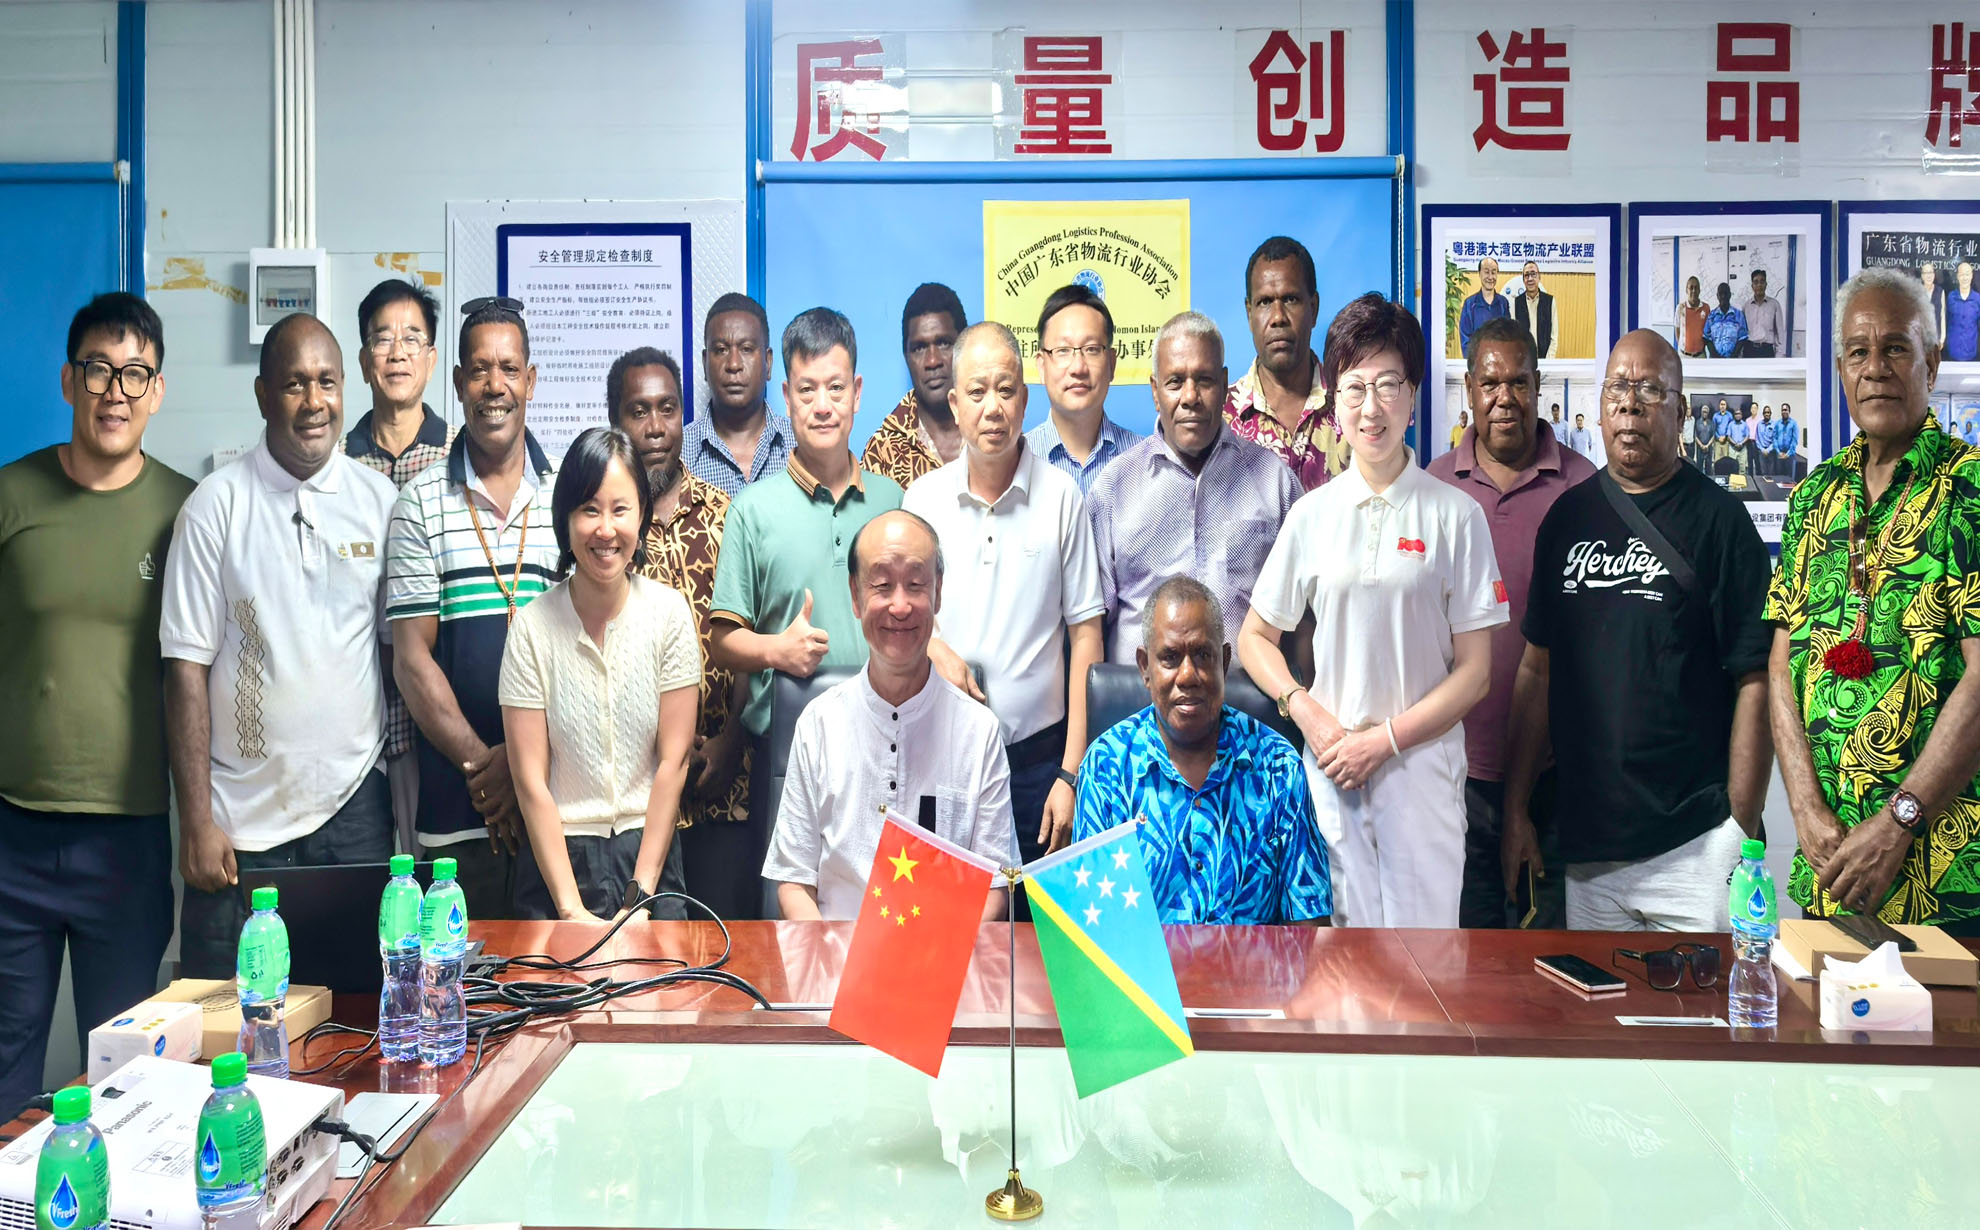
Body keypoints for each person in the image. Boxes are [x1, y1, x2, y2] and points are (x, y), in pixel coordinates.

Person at [1239, 292, 1507, 928]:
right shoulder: (1312, 514)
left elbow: (1476, 674)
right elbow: (1253, 638)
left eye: (1388, 385)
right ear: (1335, 402)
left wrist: (1384, 742)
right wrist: (1308, 714)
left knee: (1426, 965)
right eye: (1355, 388)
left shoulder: (1457, 516)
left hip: (1421, 775)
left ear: (1412, 397)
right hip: (1335, 775)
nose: (1371, 406)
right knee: (1344, 966)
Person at [1502, 330, 1773, 932]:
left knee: (1708, 998)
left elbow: (1756, 676)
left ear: (1681, 411)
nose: (1630, 403)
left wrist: (1740, 824)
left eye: (1650, 389)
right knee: (1598, 998)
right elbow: (1536, 670)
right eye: (1617, 389)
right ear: (1600, 408)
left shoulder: (1722, 523)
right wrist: (1517, 808)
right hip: (1588, 851)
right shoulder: (1566, 520)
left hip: (1696, 844)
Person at [0, 293, 195, 1118]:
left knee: (126, 1072)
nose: (116, 391)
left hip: (129, 840)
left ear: (157, 391)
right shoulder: (13, 494)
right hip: (12, 833)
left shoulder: (187, 510)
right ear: (68, 380)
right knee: (7, 1057)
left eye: (135, 374)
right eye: (99, 370)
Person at [162, 314, 400, 975]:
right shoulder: (214, 507)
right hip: (240, 828)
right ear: (263, 395)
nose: (314, 401)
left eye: (327, 381)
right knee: (229, 1017)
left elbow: (396, 656)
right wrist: (197, 822)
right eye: (295, 384)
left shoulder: (380, 502)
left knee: (357, 1011)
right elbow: (185, 671)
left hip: (353, 811)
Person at [1767, 268, 1980, 929]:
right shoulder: (1814, 495)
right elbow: (1780, 663)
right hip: (1829, 870)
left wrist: (1898, 823)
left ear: (1931, 363)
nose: (1876, 368)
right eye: (1858, 351)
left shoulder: (1969, 490)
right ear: (1841, 371)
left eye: (1896, 348)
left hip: (1943, 877)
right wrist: (1804, 807)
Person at [902, 322, 1103, 866]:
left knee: (1037, 918)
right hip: (944, 754)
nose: (993, 407)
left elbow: (1086, 637)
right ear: (954, 404)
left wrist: (1071, 772)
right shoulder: (922, 500)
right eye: (977, 391)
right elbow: (901, 619)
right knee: (951, 915)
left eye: (1006, 390)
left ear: (1025, 399)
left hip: (1041, 764)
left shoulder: (1062, 497)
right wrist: (934, 649)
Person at [387, 297, 562, 918]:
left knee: (553, 969)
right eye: (480, 370)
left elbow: (585, 646)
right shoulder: (418, 503)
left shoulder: (568, 496)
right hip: (457, 806)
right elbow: (411, 659)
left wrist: (521, 763)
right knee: (458, 972)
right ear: (459, 382)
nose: (495, 386)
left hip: (555, 800)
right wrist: (483, 766)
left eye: (509, 369)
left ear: (530, 381)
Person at [763, 510, 1016, 920]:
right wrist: (830, 954)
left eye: (916, 585)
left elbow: (994, 888)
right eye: (881, 585)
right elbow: (793, 880)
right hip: (835, 949)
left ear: (938, 592)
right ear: (855, 595)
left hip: (944, 954)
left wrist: (939, 953)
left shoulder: (979, 731)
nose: (900, 606)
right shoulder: (818, 723)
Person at [1427, 315, 1594, 929]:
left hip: (1554, 775)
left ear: (1537, 386)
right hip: (1451, 770)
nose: (1505, 398)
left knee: (1543, 955)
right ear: (1469, 389)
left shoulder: (1584, 488)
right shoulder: (1432, 487)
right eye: (1490, 383)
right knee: (1461, 952)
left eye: (1519, 383)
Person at [499, 428, 698, 921]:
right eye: (589, 509)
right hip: (558, 860)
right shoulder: (530, 629)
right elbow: (529, 781)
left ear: (641, 515)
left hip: (648, 855)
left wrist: (639, 897)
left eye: (620, 509)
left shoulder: (669, 615)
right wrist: (570, 910)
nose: (605, 529)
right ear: (565, 519)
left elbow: (673, 764)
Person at [1074, 576, 1330, 926]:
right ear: (1145, 668)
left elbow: (1310, 928)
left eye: (1202, 655)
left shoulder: (1277, 766)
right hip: (1142, 965)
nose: (1188, 675)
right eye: (1170, 658)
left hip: (1253, 964)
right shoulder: (1106, 767)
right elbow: (1093, 929)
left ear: (1223, 662)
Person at [710, 307, 904, 760]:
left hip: (886, 737)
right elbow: (722, 642)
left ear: (856, 393)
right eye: (807, 389)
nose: (822, 406)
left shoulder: (893, 501)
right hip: (785, 745)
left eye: (836, 388)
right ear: (786, 397)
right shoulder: (751, 510)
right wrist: (777, 650)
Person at [610, 347, 756, 919]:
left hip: (723, 786)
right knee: (651, 955)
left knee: (729, 948)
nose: (655, 427)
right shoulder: (608, 532)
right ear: (616, 421)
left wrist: (731, 741)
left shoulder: (729, 515)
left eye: (667, 409)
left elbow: (750, 637)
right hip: (635, 797)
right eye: (638, 411)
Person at [1089, 312, 1299, 664]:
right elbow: (1090, 627)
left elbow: (1303, 620)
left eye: (1204, 380)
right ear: (1155, 392)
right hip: (1139, 697)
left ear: (1224, 384)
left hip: (1247, 695)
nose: (1190, 397)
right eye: (1175, 382)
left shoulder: (1275, 482)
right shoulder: (1113, 490)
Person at [344, 278, 453, 851]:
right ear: (364, 360)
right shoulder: (335, 462)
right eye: (383, 339)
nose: (397, 352)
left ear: (431, 359)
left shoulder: (461, 455)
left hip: (439, 706)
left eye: (412, 338)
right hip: (355, 710)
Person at [1223, 235, 1347, 490]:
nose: (1278, 317)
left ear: (1313, 308)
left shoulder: (1352, 404)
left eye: (1290, 299)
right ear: (1249, 313)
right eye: (1265, 302)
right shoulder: (1220, 416)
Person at [1024, 284, 1143, 494]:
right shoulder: (1016, 461)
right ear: (1042, 366)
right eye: (1063, 350)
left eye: (1092, 349)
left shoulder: (1145, 461)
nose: (1078, 368)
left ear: (1111, 363)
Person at [861, 282, 966, 488]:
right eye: (919, 348)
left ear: (965, 346)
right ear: (906, 357)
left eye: (944, 343)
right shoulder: (882, 451)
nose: (933, 361)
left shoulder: (992, 427)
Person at [686, 293, 791, 496]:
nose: (734, 365)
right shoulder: (679, 455)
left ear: (768, 362)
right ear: (705, 363)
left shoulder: (801, 446)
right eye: (721, 350)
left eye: (746, 349)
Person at [1457, 257, 1511, 359]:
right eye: (1486, 272)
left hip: (1499, 363)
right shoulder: (1469, 304)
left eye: (1493, 272)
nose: (1490, 277)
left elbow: (1508, 336)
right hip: (1477, 364)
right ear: (1479, 274)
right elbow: (1465, 340)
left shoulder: (1503, 303)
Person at [1511, 260, 1555, 359]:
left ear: (1539, 277)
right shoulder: (1516, 302)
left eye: (1533, 274)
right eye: (1526, 275)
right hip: (1523, 360)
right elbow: (1514, 335)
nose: (1530, 278)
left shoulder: (1550, 301)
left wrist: (1548, 360)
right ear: (1523, 280)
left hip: (1545, 359)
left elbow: (1554, 336)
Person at [1742, 267, 1785, 358]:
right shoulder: (1746, 306)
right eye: (1756, 282)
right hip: (1749, 350)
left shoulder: (1774, 305)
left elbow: (1780, 333)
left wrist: (1779, 356)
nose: (1759, 285)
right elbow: (1742, 332)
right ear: (1752, 286)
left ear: (1766, 284)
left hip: (1767, 351)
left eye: (1762, 281)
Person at [1706, 281, 1748, 359]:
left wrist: (1733, 357)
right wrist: (1716, 357)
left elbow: (1742, 338)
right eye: (1721, 293)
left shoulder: (1738, 315)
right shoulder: (1711, 316)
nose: (1723, 296)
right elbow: (1707, 339)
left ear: (1730, 295)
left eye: (1726, 293)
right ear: (1717, 296)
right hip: (1715, 361)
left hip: (1734, 360)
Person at [1948, 262, 1980, 364]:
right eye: (1962, 274)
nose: (1964, 278)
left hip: (1972, 352)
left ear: (1971, 276)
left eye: (1967, 274)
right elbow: (1946, 320)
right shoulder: (1950, 297)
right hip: (1952, 352)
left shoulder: (1977, 299)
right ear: (1957, 276)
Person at [1675, 275, 1709, 359]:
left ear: (1699, 290)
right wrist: (1684, 347)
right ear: (1686, 290)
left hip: (1701, 355)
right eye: (1691, 288)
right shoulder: (1680, 308)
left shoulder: (1706, 308)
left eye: (1696, 288)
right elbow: (1677, 329)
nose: (1694, 290)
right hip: (1683, 356)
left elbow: (1708, 331)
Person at [1921, 262, 1948, 349]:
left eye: (1931, 272)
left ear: (1934, 275)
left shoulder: (1940, 291)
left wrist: (1942, 338)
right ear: (1922, 276)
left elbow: (1942, 315)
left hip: (1936, 336)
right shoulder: (1917, 291)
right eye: (1926, 273)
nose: (1928, 276)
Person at [1774, 400, 1798, 477]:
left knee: (1789, 478)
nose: (1784, 412)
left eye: (1786, 410)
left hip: (1789, 455)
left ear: (1789, 411)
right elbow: (1774, 438)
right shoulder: (1777, 423)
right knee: (1779, 477)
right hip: (1779, 454)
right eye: (1782, 410)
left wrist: (1788, 454)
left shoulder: (1793, 423)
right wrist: (1778, 452)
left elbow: (1795, 440)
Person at [1726, 404, 1751, 475]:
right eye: (1736, 414)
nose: (1738, 415)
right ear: (1734, 415)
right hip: (1733, 449)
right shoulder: (1730, 424)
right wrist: (1735, 444)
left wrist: (1741, 443)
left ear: (1741, 415)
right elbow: (1728, 437)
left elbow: (1747, 436)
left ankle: (1741, 481)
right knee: (1732, 468)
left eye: (1739, 414)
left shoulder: (1745, 424)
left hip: (1742, 449)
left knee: (1742, 469)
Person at [1755, 406, 1776, 479]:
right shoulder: (1759, 424)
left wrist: (1768, 450)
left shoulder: (1774, 425)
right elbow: (1757, 439)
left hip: (1771, 452)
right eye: (1765, 412)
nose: (1766, 414)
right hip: (1761, 452)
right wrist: (1762, 449)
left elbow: (1775, 440)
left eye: (1768, 412)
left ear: (1770, 413)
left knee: (1771, 472)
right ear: (1763, 414)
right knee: (1763, 472)